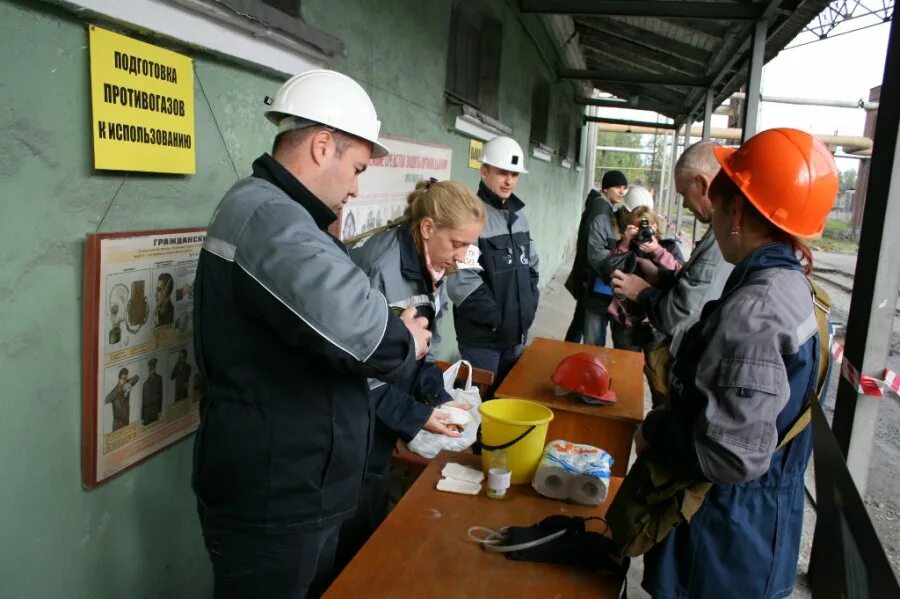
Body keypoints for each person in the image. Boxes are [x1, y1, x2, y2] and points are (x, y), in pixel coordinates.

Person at [191, 69, 432, 599]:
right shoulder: (271, 218)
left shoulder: (286, 216)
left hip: (299, 486)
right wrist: (406, 340)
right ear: (323, 146)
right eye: (356, 168)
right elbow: (365, 333)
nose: (355, 186)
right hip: (274, 497)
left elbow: (329, 309)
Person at [614, 128, 838, 598]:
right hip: (761, 526)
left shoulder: (756, 311)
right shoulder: (797, 289)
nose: (711, 218)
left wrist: (654, 431)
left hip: (721, 540)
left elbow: (727, 454)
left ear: (736, 210)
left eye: (718, 205)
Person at [337, 178, 486, 571]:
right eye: (456, 244)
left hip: (381, 422)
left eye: (468, 247)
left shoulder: (430, 265)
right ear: (426, 228)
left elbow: (422, 349)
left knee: (372, 513)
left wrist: (439, 398)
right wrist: (416, 417)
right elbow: (358, 370)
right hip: (352, 422)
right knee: (352, 534)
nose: (461, 257)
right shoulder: (377, 267)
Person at [612, 142, 733, 401]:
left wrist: (641, 292)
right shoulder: (727, 232)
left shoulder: (725, 239)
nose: (685, 203)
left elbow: (678, 315)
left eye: (684, 193)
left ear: (703, 184)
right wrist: (661, 276)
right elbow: (695, 286)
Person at [446, 136, 538, 394]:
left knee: (504, 404)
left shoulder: (520, 216)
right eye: (502, 173)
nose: (509, 180)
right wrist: (497, 319)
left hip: (515, 337)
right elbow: (462, 280)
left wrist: (527, 307)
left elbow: (532, 264)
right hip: (482, 341)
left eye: (514, 174)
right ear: (484, 171)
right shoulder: (470, 218)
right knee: (476, 410)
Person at [564, 170, 628, 348]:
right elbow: (595, 250)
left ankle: (566, 352)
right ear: (606, 188)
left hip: (587, 276)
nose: (622, 192)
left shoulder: (600, 205)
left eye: (624, 188)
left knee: (579, 322)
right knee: (586, 328)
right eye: (617, 187)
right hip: (591, 278)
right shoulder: (600, 208)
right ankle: (567, 353)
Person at [105, 367, 139, 431]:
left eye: (126, 379)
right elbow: (106, 400)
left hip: (126, 422)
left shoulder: (127, 384)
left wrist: (129, 382)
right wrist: (118, 390)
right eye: (123, 379)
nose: (124, 381)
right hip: (117, 424)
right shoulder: (115, 391)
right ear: (119, 379)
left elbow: (137, 377)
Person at [141, 357, 163, 425]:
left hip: (154, 410)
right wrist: (142, 417)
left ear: (155, 367)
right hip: (146, 413)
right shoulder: (145, 384)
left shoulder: (158, 379)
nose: (151, 369)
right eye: (150, 367)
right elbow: (143, 401)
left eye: (153, 366)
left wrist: (159, 410)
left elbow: (160, 396)